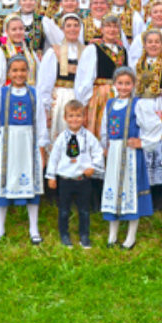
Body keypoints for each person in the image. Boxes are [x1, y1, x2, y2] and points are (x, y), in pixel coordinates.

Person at [0, 55, 49, 245]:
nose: (19, 74)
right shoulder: (1, 94)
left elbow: (41, 123)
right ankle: (0, 228)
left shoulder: (34, 94)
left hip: (28, 144)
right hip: (7, 144)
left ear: (28, 72)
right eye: (15, 70)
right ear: (9, 73)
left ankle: (33, 228)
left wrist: (42, 148)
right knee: (2, 185)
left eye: (23, 70)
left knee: (32, 184)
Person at [101, 67, 162, 249]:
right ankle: (112, 233)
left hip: (130, 155)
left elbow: (155, 125)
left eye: (127, 83)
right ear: (114, 84)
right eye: (120, 83)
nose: (123, 87)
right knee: (114, 189)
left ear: (134, 85)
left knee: (131, 191)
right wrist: (105, 144)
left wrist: (142, 142)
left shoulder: (138, 104)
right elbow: (105, 127)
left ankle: (131, 236)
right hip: (114, 153)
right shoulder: (110, 104)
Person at [129, 28, 162, 211]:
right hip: (142, 108)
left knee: (160, 149)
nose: (153, 45)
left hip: (160, 108)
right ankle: (146, 190)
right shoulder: (138, 65)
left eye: (156, 42)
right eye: (149, 41)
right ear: (144, 45)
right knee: (145, 147)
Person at [46, 99, 104, 248]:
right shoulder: (61, 139)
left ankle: (84, 236)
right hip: (65, 179)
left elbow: (98, 152)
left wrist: (93, 167)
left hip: (82, 180)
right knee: (64, 209)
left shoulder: (88, 137)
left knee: (84, 210)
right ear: (65, 118)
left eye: (78, 116)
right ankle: (64, 235)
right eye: (71, 116)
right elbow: (54, 158)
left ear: (84, 118)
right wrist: (51, 176)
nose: (75, 119)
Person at [38, 14, 85, 144]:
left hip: (79, 98)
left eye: (76, 25)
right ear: (62, 29)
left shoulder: (86, 52)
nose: (72, 29)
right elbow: (45, 83)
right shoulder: (54, 52)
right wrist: (45, 108)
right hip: (60, 99)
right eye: (68, 26)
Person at [0, 14, 39, 89]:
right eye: (14, 29)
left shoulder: (30, 52)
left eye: (21, 29)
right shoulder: (1, 52)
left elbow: (38, 76)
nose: (18, 32)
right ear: (6, 31)